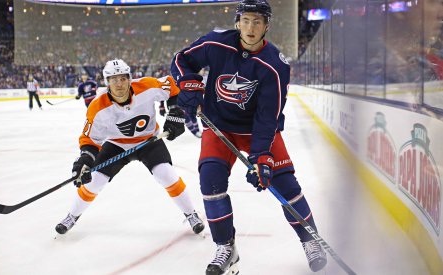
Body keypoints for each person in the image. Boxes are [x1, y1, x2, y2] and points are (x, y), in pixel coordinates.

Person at [170, 0, 327, 274]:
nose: (250, 27)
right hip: (219, 127)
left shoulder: (275, 66)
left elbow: (267, 117)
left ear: (266, 26)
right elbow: (181, 60)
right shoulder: (217, 43)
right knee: (211, 182)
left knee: (285, 184)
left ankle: (310, 240)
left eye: (257, 21)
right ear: (237, 22)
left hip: (258, 130)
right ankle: (226, 247)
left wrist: (261, 156)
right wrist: (189, 82)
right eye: (245, 20)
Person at [55, 58, 205, 236]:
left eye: (123, 78)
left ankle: (191, 213)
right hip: (116, 144)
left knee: (167, 175)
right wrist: (85, 159)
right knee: (94, 181)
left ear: (129, 78)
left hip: (149, 140)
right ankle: (72, 215)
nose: (119, 83)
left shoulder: (147, 86)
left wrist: (174, 111)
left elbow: (173, 87)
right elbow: (90, 139)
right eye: (113, 79)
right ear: (107, 82)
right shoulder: (97, 107)